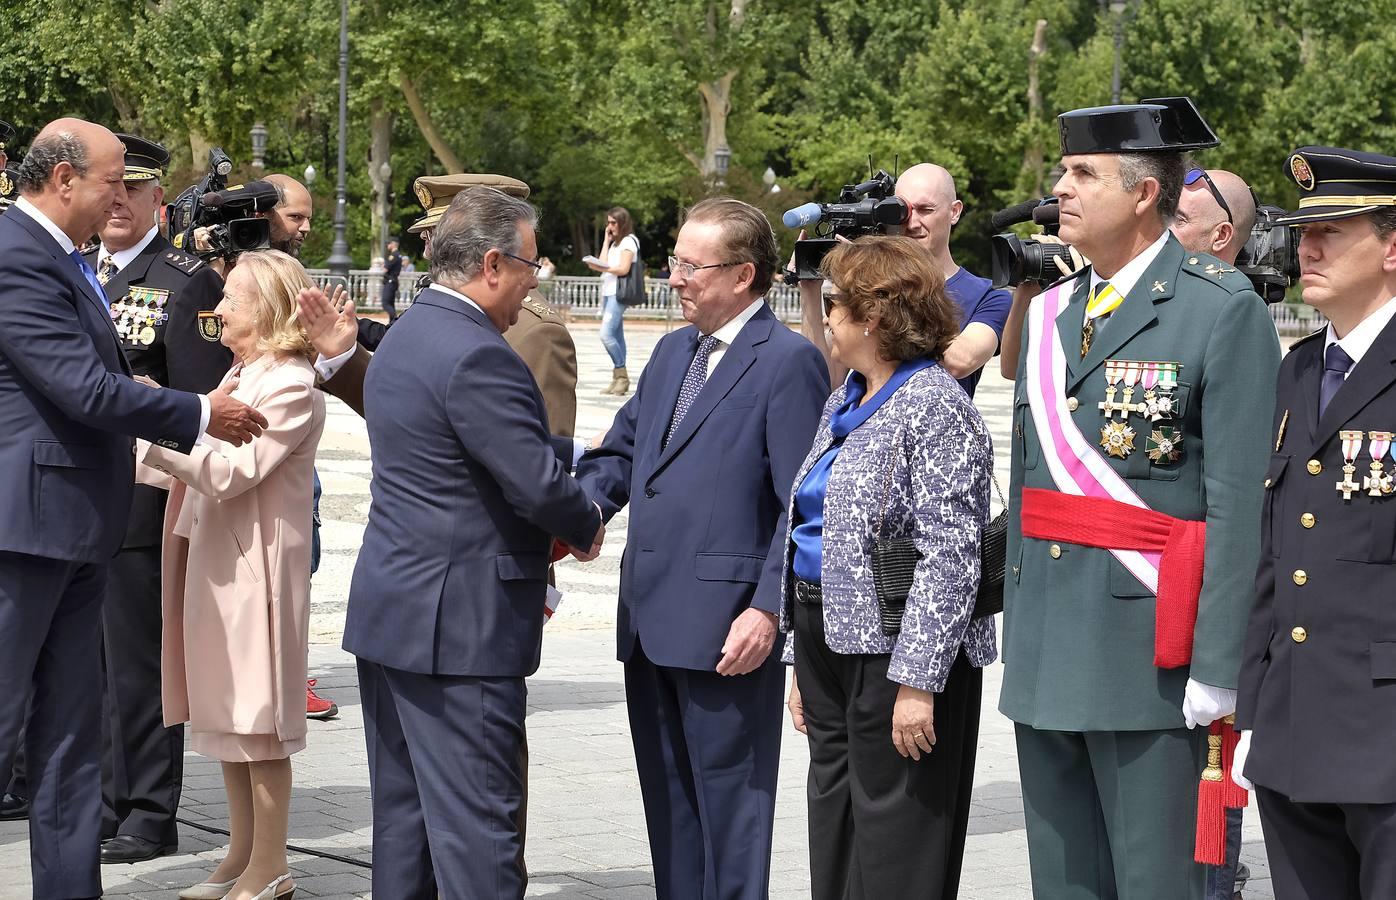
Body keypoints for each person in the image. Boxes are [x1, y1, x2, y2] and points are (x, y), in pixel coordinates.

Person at [1000, 98, 1281, 900]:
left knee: (1158, 885)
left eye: (1082, 173)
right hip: (1048, 651)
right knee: (1063, 885)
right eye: (1063, 172)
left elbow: (1236, 508)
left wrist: (1218, 666)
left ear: (1144, 193)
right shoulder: (1050, 311)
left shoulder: (1219, 309)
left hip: (1152, 668)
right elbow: (1028, 499)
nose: (1062, 189)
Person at [0, 117, 265, 900]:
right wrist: (198, 412)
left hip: (80, 525)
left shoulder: (61, 256)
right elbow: (78, 387)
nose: (125, 195)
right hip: (26, 527)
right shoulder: (16, 255)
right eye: (114, 179)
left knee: (72, 736)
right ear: (62, 180)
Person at [342, 186, 603, 900]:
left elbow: (459, 442)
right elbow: (537, 487)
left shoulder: (408, 333)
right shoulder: (480, 354)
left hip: (395, 613)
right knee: (479, 833)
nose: (534, 283)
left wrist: (577, 450)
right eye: (530, 267)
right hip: (460, 631)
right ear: (492, 263)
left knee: (406, 825)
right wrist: (587, 521)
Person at [576, 197, 829, 900]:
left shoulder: (788, 363)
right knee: (672, 815)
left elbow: (803, 503)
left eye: (692, 265)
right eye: (674, 262)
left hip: (728, 632)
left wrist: (768, 611)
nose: (675, 277)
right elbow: (624, 451)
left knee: (731, 817)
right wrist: (577, 510)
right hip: (649, 621)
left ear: (744, 274)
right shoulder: (672, 352)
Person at [780, 236, 995, 899]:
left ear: (872, 317)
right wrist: (798, 656)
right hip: (830, 637)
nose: (824, 316)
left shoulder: (932, 403)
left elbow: (951, 552)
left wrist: (918, 682)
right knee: (837, 818)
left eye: (834, 303)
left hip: (900, 652)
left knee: (897, 835)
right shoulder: (846, 394)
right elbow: (810, 524)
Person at [134, 249, 323, 900]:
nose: (218, 312)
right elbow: (190, 458)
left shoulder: (290, 383)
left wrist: (149, 430)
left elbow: (228, 471)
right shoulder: (245, 374)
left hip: (258, 570)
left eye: (233, 301)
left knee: (260, 721)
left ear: (269, 309)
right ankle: (242, 855)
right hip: (221, 558)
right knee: (228, 717)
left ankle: (271, 864)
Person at [1233, 147, 1396, 900]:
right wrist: (1254, 696)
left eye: (1335, 230)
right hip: (1294, 729)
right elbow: (1276, 546)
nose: (1309, 247)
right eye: (1305, 231)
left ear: (1392, 245)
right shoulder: (1299, 369)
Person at [77, 133, 236, 866]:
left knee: (138, 666)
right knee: (89, 667)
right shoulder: (74, 270)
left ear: (158, 203)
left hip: (145, 497)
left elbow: (209, 403)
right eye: (110, 189)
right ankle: (103, 800)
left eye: (133, 191)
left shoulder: (182, 279)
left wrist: (153, 402)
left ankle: (146, 811)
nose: (117, 203)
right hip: (79, 495)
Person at [797, 162, 1011, 397]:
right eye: (903, 210)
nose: (911, 222)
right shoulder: (868, 283)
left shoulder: (990, 297)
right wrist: (809, 290)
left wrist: (881, 279)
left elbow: (960, 361)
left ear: (954, 211)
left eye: (925, 210)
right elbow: (825, 381)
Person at [584, 206, 640, 395]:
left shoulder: (629, 242)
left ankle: (622, 375)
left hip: (618, 293)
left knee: (606, 335)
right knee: (617, 336)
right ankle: (618, 380)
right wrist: (606, 241)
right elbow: (603, 261)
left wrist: (603, 269)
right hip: (608, 293)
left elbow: (623, 269)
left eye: (613, 223)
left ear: (623, 223)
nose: (609, 226)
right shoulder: (616, 244)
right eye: (608, 222)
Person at [262, 173, 312, 259]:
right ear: (262, 214)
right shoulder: (240, 269)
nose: (306, 228)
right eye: (296, 216)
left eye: (308, 219)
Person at [381, 238, 402, 323]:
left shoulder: (393, 255)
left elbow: (385, 269)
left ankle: (396, 320)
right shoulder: (399, 255)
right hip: (394, 281)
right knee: (391, 304)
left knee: (385, 303)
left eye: (389, 243)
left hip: (390, 282)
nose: (387, 245)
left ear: (393, 244)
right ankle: (392, 323)